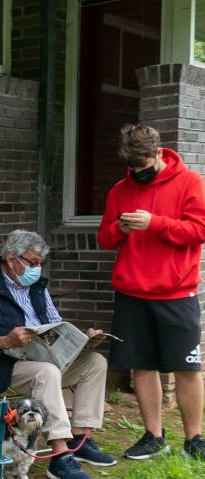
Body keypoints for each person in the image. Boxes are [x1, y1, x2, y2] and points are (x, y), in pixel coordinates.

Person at [0, 230, 116, 479]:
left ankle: (78, 440)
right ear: (12, 258)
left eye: (41, 263)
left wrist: (81, 339)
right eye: (32, 262)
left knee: (95, 362)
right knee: (47, 373)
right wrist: (6, 341)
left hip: (43, 357)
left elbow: (54, 324)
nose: (37, 268)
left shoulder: (36, 287)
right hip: (3, 364)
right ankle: (60, 453)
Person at [97, 122, 205, 461]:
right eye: (130, 168)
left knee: (187, 368)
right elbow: (104, 238)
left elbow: (199, 230)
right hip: (132, 293)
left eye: (141, 166)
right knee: (142, 366)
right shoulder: (119, 190)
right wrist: (120, 228)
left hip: (176, 292)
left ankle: (194, 440)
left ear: (158, 154)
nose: (136, 173)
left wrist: (154, 223)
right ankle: (154, 437)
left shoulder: (191, 183)